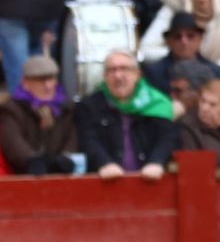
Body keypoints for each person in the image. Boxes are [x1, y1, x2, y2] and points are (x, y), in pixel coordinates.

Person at [76, 48, 177, 180]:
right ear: (104, 76)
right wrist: (104, 163)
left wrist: (156, 161)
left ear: (137, 74)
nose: (118, 76)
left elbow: (167, 137)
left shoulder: (157, 103)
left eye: (124, 69)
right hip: (104, 183)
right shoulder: (89, 106)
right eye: (112, 70)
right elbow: (88, 140)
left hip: (150, 182)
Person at [0, 53, 79, 174]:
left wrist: (65, 158)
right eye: (41, 80)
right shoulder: (12, 109)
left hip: (60, 177)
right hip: (22, 178)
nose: (48, 86)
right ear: (25, 83)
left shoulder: (66, 109)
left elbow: (72, 139)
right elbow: (11, 141)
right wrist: (31, 160)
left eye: (51, 79)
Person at [142, 10, 220, 89]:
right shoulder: (153, 73)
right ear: (168, 41)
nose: (184, 42)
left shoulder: (217, 72)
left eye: (190, 36)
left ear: (200, 39)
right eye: (177, 37)